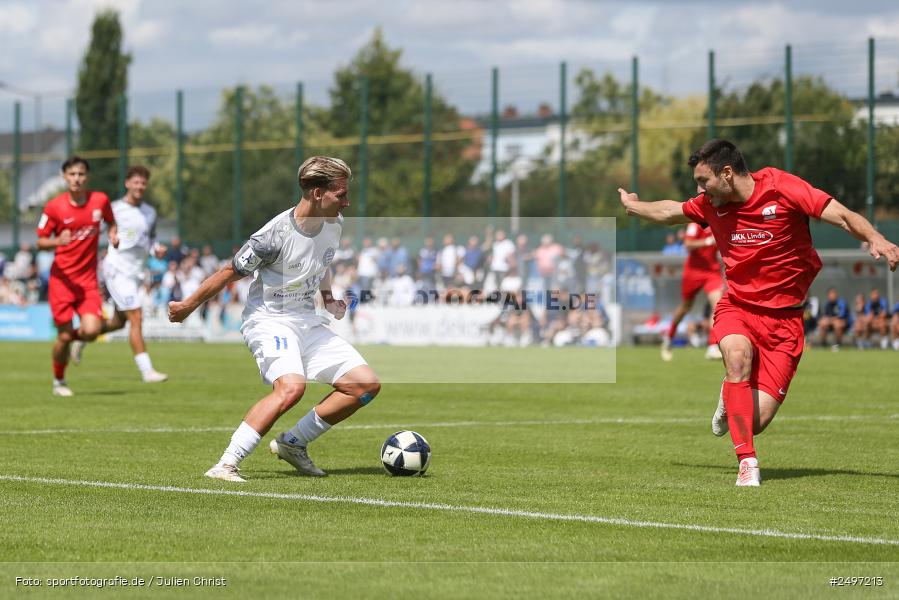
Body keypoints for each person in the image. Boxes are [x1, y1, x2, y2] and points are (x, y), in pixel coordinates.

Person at [618, 139, 899, 486]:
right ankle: (747, 462)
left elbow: (840, 214)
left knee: (754, 420)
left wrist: (875, 238)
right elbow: (668, 212)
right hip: (738, 306)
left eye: (703, 181)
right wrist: (634, 206)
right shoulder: (711, 204)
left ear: (726, 174)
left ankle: (730, 397)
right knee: (737, 358)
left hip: (786, 321)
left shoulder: (782, 188)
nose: (699, 189)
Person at [168, 156, 380, 482]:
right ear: (316, 192)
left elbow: (319, 263)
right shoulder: (272, 236)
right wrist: (187, 305)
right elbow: (228, 272)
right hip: (269, 320)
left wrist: (327, 298)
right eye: (340, 194)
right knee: (291, 389)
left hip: (306, 321)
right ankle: (225, 464)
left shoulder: (334, 222)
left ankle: (293, 444)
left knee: (365, 385)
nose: (347, 201)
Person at [71, 165, 168, 383]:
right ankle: (147, 371)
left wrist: (157, 250)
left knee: (118, 322)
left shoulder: (150, 212)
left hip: (135, 273)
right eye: (136, 182)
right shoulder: (114, 208)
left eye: (143, 183)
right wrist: (112, 235)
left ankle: (81, 337)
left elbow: (149, 240)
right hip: (117, 269)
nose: (140, 186)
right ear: (127, 183)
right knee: (136, 315)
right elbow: (100, 226)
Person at [36, 156, 118, 397]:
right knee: (63, 335)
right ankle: (59, 380)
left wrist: (113, 235)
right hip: (61, 281)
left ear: (87, 177)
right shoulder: (53, 206)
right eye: (72, 174)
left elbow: (112, 222)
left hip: (87, 281)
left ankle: (72, 342)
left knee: (91, 330)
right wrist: (55, 241)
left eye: (81, 174)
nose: (77, 179)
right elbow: (40, 241)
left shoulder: (100, 200)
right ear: (64, 177)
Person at [661, 222, 725, 362]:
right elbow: (688, 244)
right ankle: (669, 338)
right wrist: (709, 241)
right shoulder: (696, 224)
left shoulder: (720, 220)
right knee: (686, 307)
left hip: (711, 271)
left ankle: (712, 346)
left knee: (718, 305)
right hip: (693, 272)